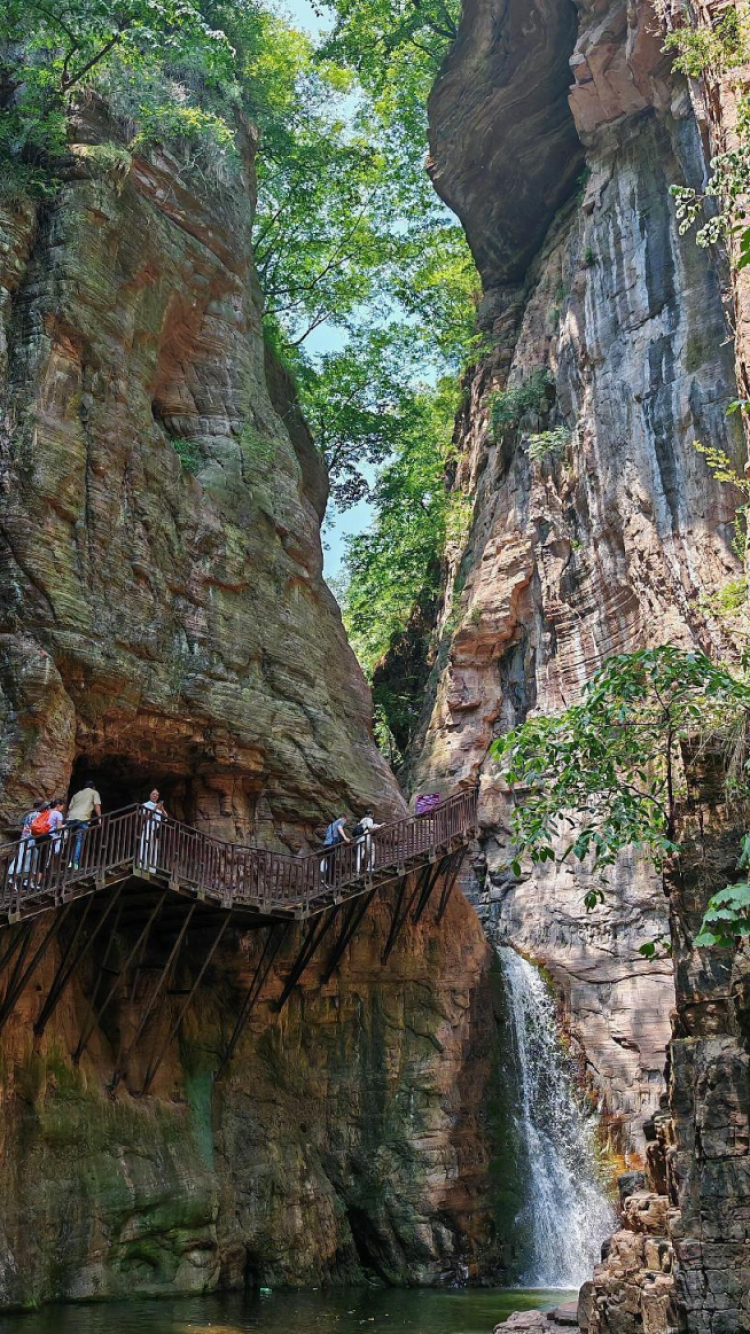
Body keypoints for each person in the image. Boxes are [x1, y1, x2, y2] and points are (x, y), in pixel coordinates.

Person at [65, 778, 102, 869]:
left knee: (69, 839)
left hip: (71, 818)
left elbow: (69, 809)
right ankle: (74, 863)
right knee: (79, 840)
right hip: (82, 819)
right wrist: (99, 818)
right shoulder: (94, 793)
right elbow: (97, 805)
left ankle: (67, 860)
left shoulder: (76, 794)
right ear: (93, 787)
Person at [8, 800, 44, 884]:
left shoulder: (28, 813)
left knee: (21, 857)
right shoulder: (38, 815)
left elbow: (23, 824)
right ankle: (19, 879)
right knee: (29, 859)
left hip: (24, 837)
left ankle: (13, 878)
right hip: (32, 838)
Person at [138, 789, 168, 873]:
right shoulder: (146, 804)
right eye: (153, 794)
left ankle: (152, 869)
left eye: (157, 795)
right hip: (148, 827)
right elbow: (144, 816)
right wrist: (155, 809)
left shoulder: (159, 807)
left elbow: (166, 817)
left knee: (153, 848)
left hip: (156, 830)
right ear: (150, 795)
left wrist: (162, 809)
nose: (155, 796)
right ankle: (141, 865)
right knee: (144, 845)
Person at [321, 815, 350, 883]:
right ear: (343, 818)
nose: (345, 822)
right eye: (345, 821)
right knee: (331, 863)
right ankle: (330, 881)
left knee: (329, 863)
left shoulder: (331, 825)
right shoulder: (340, 821)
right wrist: (345, 837)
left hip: (326, 845)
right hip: (331, 845)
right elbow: (340, 828)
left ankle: (328, 880)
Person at [353, 809, 383, 874]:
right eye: (372, 814)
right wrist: (379, 827)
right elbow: (370, 828)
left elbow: (367, 827)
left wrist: (378, 825)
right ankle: (369, 867)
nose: (373, 816)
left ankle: (357, 871)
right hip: (366, 839)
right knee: (373, 851)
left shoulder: (362, 820)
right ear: (370, 814)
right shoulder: (369, 820)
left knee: (359, 856)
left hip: (359, 840)